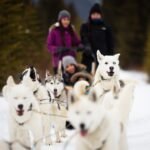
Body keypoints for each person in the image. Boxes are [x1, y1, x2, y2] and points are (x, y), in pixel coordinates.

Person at [80, 3, 115, 72]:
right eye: (93, 14)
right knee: (86, 75)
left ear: (100, 15)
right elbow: (83, 37)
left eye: (97, 14)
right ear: (90, 15)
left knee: (103, 76)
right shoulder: (85, 26)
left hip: (103, 58)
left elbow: (110, 43)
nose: (95, 16)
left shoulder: (106, 27)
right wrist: (86, 45)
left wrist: (110, 57)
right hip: (89, 56)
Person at [47, 10, 80, 74]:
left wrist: (81, 46)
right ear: (60, 20)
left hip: (70, 61)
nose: (66, 21)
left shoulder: (71, 30)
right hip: (59, 61)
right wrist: (57, 49)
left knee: (71, 80)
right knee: (60, 81)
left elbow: (77, 42)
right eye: (64, 19)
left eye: (68, 20)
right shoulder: (54, 30)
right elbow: (49, 45)